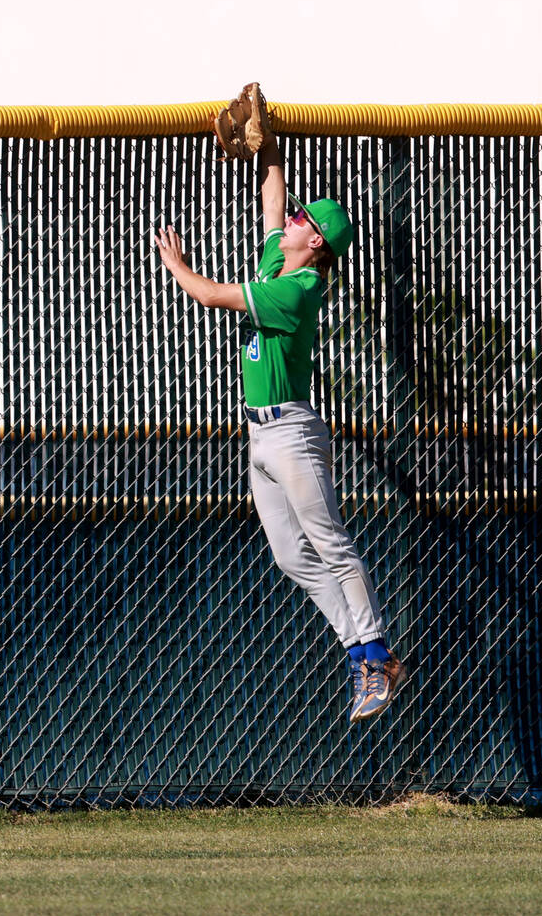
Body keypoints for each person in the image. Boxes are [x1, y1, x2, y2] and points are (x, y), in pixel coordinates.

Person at [152, 120, 405, 722]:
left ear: (316, 244)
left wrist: (178, 266)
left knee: (332, 545)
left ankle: (374, 657)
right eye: (297, 217)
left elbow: (210, 296)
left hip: (292, 431)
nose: (292, 220)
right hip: (259, 434)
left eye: (303, 221)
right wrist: (267, 146)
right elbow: (272, 194)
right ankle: (365, 655)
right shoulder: (277, 259)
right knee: (291, 556)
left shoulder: (299, 291)